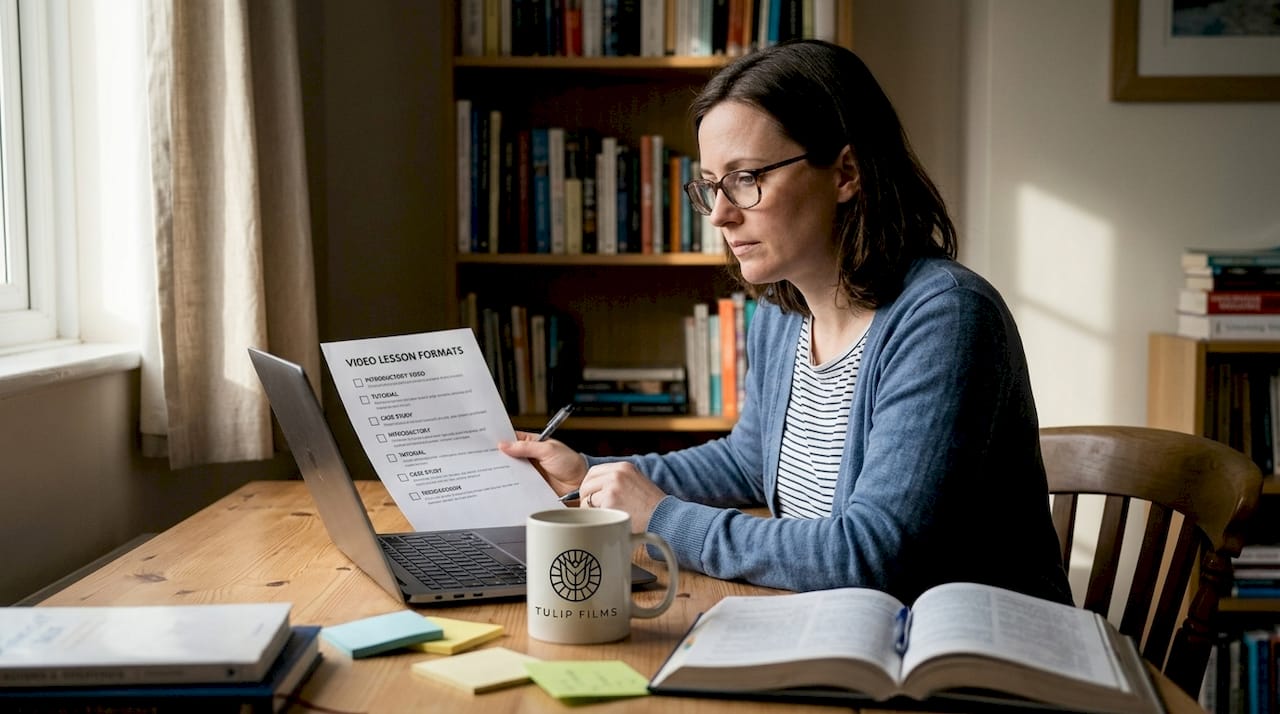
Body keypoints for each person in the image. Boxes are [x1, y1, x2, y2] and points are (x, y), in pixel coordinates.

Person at [500, 39, 1073, 606]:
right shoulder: (781, 312)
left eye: (746, 178)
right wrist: (590, 473)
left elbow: (872, 554)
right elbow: (748, 463)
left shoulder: (945, 317)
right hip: (846, 633)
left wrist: (664, 519)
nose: (721, 213)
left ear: (846, 172)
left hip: (976, 660)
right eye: (711, 185)